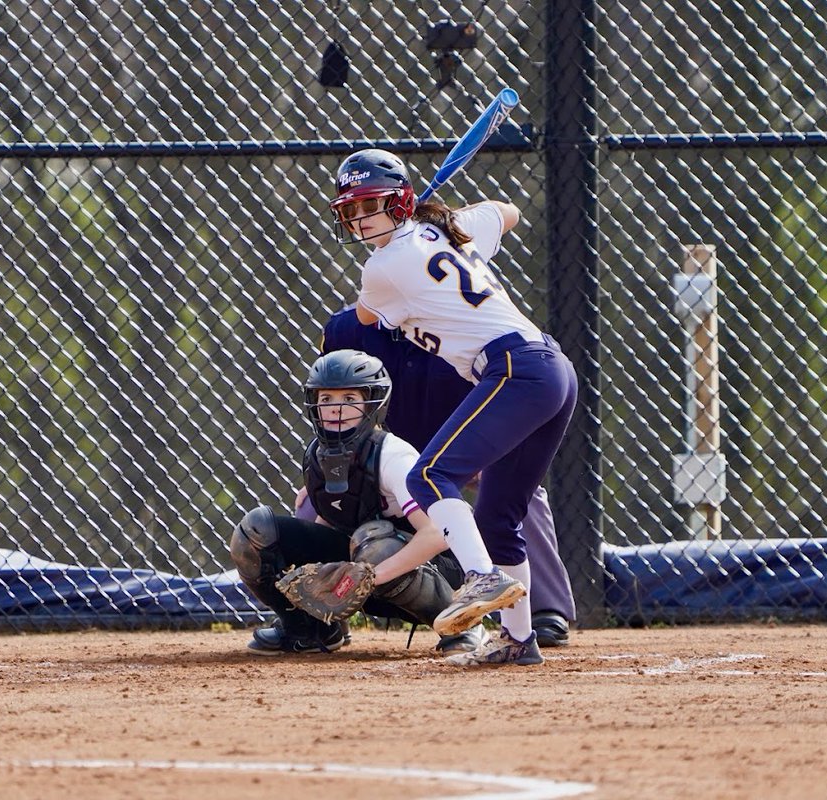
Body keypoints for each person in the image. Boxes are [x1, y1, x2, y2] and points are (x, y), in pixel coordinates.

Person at [329, 148, 578, 666]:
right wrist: (446, 223)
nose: (361, 220)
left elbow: (366, 317)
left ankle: (482, 577)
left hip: (513, 367)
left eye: (372, 205)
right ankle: (517, 640)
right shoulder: (454, 231)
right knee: (499, 516)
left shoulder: (382, 267)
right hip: (551, 369)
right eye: (351, 211)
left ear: (400, 203)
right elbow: (507, 211)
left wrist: (428, 229)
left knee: (427, 478)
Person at [315, 306, 575, 648]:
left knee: (515, 493)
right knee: (318, 498)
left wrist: (502, 441)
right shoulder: (350, 326)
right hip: (388, 452)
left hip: (476, 441)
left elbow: (517, 393)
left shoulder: (465, 318)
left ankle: (543, 609)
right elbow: (329, 400)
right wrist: (327, 469)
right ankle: (317, 620)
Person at [229, 348, 488, 656]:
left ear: (372, 404)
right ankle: (312, 629)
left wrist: (366, 578)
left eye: (349, 400)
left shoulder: (393, 456)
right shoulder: (317, 454)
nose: (336, 410)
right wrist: (322, 584)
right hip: (370, 566)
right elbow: (332, 524)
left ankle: (462, 623)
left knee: (374, 540)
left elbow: (437, 534)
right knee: (255, 532)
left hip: (440, 573)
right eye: (326, 400)